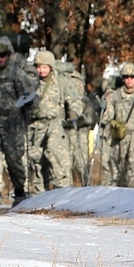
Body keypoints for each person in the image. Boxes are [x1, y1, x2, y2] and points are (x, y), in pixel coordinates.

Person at [0, 35, 36, 207]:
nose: (0, 58)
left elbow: (30, 90)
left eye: (3, 55)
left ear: (9, 55)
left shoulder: (17, 69)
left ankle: (19, 189)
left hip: (13, 118)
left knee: (14, 158)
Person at [27, 50, 77, 192]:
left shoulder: (62, 82)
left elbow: (74, 100)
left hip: (56, 123)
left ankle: (62, 188)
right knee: (36, 159)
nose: (40, 70)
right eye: (38, 67)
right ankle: (38, 192)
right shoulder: (30, 82)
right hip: (35, 125)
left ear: (51, 67)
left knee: (56, 154)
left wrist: (73, 112)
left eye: (44, 67)